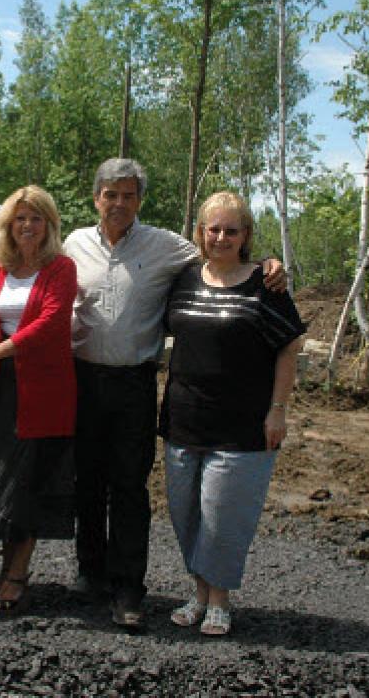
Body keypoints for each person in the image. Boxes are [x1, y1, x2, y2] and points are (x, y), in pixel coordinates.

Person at [64, 158, 285, 630]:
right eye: (110, 194)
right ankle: (91, 573)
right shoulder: (73, 244)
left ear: (139, 200)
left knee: (128, 486)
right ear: (96, 197)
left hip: (133, 383)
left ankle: (128, 587)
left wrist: (267, 264)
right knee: (86, 482)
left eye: (128, 195)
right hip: (82, 378)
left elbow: (222, 255)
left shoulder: (167, 246)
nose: (118, 203)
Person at [162, 191, 305, 635]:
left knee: (222, 514)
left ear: (245, 236)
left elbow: (288, 348)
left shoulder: (265, 284)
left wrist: (277, 412)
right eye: (213, 229)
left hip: (242, 424)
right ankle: (199, 592)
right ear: (201, 233)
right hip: (184, 419)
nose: (221, 237)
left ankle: (220, 598)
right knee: (185, 511)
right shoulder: (184, 278)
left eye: (231, 230)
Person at [0, 186, 77, 611]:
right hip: (1, 393)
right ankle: (6, 569)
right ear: (8, 225)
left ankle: (16, 574)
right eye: (20, 219)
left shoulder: (61, 268)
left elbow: (48, 325)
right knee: (3, 481)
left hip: (42, 394)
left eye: (36, 218)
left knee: (28, 483)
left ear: (49, 225)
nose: (28, 226)